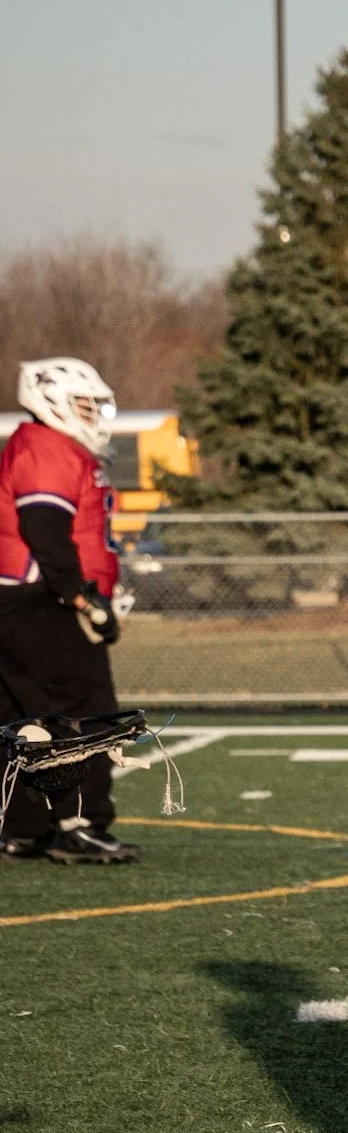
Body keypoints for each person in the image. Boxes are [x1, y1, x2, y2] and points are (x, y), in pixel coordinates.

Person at [0, 358, 138, 863]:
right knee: (83, 713)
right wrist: (81, 596)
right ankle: (79, 823)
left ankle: (25, 828)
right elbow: (45, 529)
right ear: (52, 399)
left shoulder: (37, 445)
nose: (94, 414)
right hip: (41, 601)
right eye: (85, 403)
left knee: (21, 719)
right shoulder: (47, 448)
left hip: (18, 600)